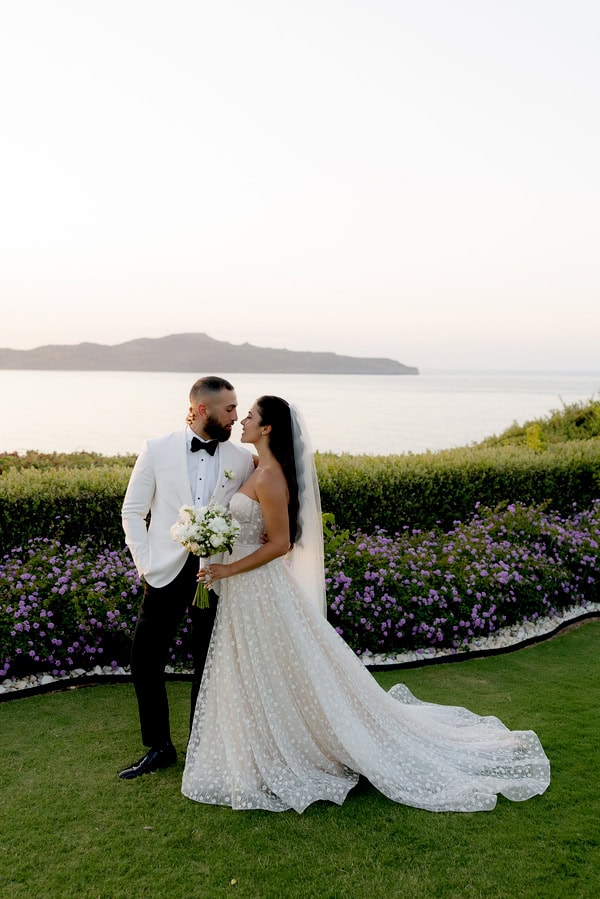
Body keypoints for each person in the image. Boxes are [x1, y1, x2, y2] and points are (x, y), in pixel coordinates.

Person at [182, 396, 551, 813]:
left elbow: (281, 544)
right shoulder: (252, 468)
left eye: (250, 415)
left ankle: (300, 746)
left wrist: (227, 570)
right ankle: (254, 749)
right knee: (253, 665)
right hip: (244, 590)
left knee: (275, 663)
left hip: (256, 587)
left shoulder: (269, 478)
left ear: (267, 429)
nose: (243, 420)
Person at [118, 376, 256, 779]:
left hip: (216, 576)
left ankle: (201, 745)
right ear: (201, 410)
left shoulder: (242, 459)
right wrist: (146, 563)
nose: (235, 415)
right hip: (164, 573)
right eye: (229, 409)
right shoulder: (156, 449)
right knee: (144, 660)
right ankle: (159, 746)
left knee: (208, 663)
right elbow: (132, 511)